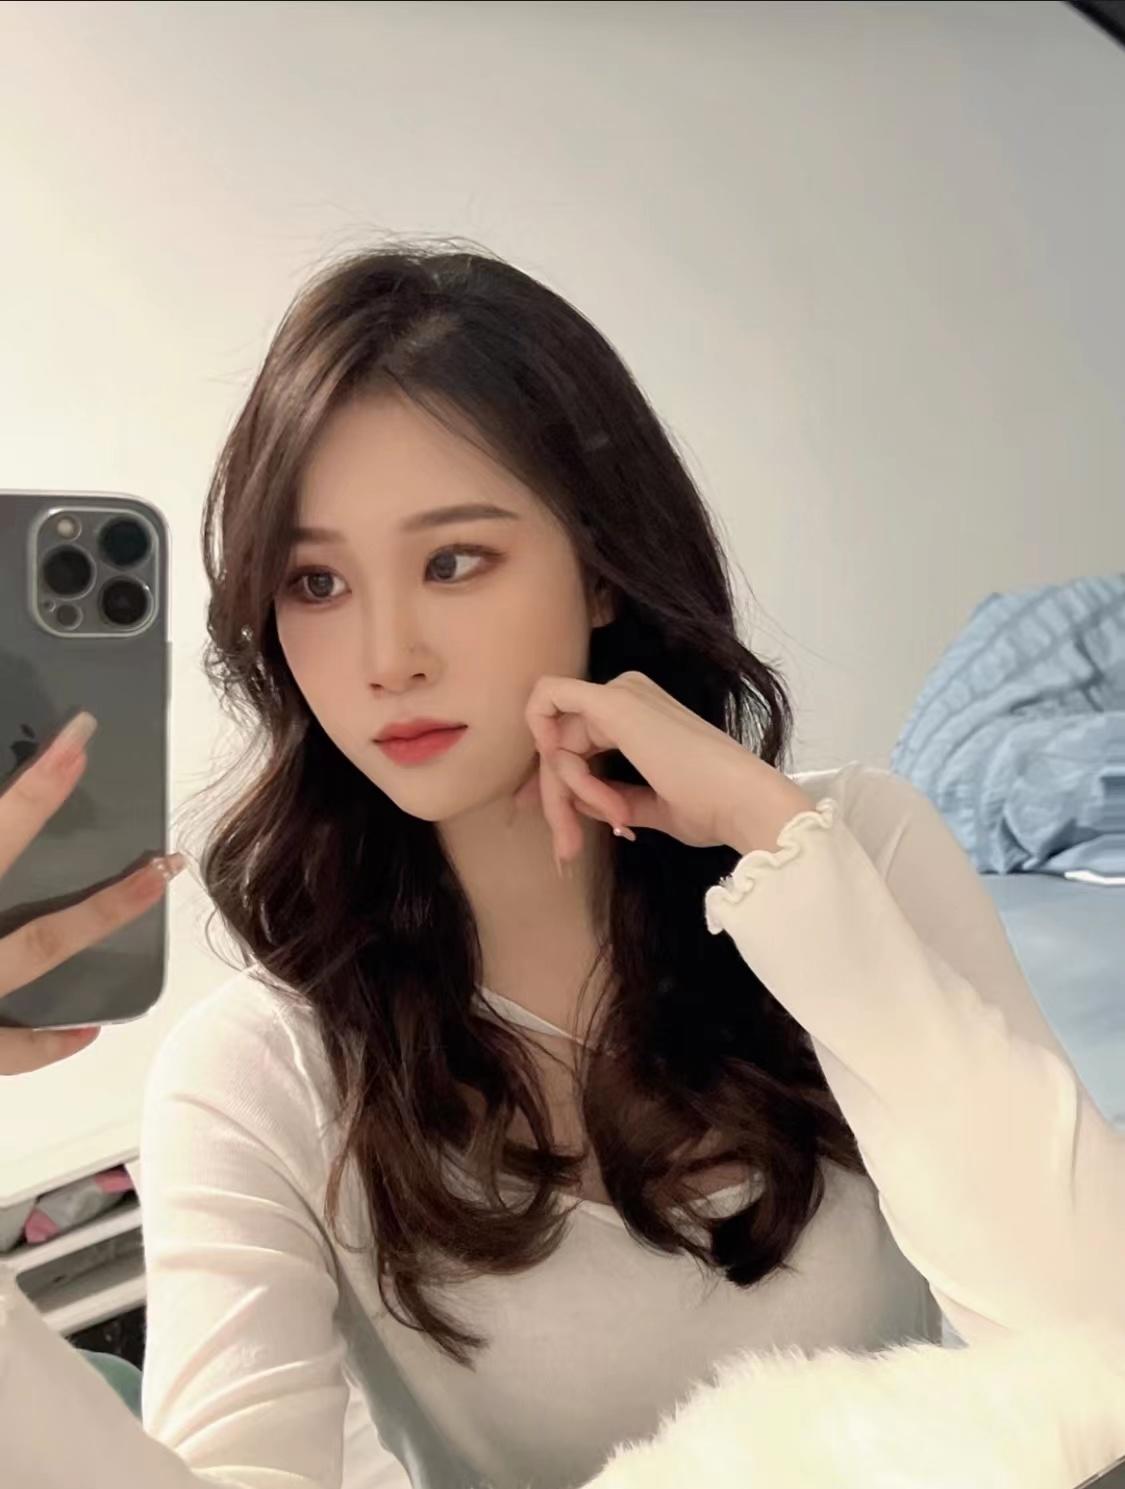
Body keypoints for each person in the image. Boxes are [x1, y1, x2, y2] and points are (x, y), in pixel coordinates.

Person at [1, 242, 1122, 1489]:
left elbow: (1093, 1341)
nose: (385, 656)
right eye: (315, 581)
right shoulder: (259, 1073)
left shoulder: (849, 850)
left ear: (597, 568)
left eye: (453, 561)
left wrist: (786, 855)